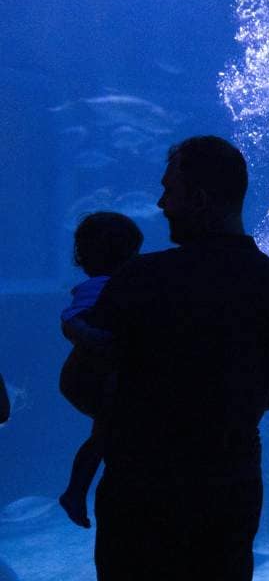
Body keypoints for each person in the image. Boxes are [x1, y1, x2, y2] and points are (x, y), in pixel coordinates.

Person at [80, 136, 269, 581]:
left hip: (140, 489)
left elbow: (78, 382)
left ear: (200, 199)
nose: (161, 202)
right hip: (229, 487)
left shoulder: (138, 279)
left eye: (170, 190)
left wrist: (138, 412)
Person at [56, 211, 143, 529]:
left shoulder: (104, 284)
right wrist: (99, 340)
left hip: (96, 377)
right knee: (107, 432)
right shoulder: (102, 287)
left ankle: (74, 493)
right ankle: (74, 492)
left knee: (105, 434)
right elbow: (71, 321)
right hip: (92, 378)